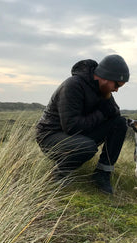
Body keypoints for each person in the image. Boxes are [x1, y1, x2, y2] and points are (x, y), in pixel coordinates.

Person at [35, 54, 130, 194]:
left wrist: (108, 107)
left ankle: (102, 174)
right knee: (86, 147)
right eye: (116, 85)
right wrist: (102, 113)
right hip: (50, 136)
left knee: (120, 123)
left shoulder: (103, 89)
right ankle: (57, 174)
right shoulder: (73, 85)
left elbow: (114, 114)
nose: (116, 90)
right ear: (104, 77)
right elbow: (72, 127)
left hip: (75, 134)